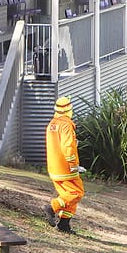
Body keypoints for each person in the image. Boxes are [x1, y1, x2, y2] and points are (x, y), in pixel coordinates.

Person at [44, 96, 85, 233]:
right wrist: (74, 164)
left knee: (67, 196)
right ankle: (52, 207)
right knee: (76, 193)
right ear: (69, 109)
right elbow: (68, 147)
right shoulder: (66, 124)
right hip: (65, 167)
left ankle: (64, 224)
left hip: (54, 167)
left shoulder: (52, 124)